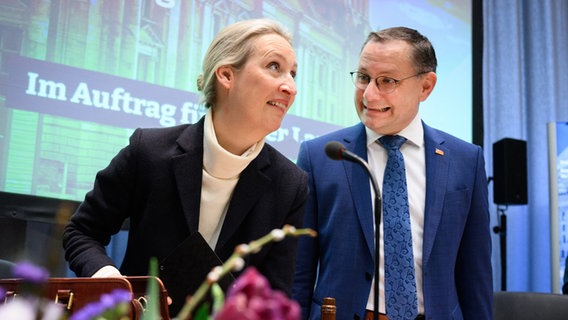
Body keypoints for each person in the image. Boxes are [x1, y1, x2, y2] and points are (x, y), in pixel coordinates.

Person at [63, 18, 308, 315]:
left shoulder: (289, 184)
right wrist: (110, 283)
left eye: (293, 74)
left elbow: (274, 296)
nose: (290, 87)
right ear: (226, 75)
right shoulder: (149, 152)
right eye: (274, 67)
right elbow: (82, 231)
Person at [292, 27, 493, 319]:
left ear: (426, 86)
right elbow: (299, 271)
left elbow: (475, 274)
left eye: (387, 81)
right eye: (363, 78)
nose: (369, 94)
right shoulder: (320, 156)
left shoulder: (465, 160)